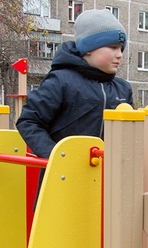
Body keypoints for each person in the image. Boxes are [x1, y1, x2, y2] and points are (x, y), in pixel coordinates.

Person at [17, 9, 132, 159]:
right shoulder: (61, 81)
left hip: (107, 176)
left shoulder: (122, 89)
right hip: (65, 176)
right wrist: (56, 156)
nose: (119, 55)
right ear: (89, 48)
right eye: (113, 47)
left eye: (121, 49)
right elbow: (29, 121)